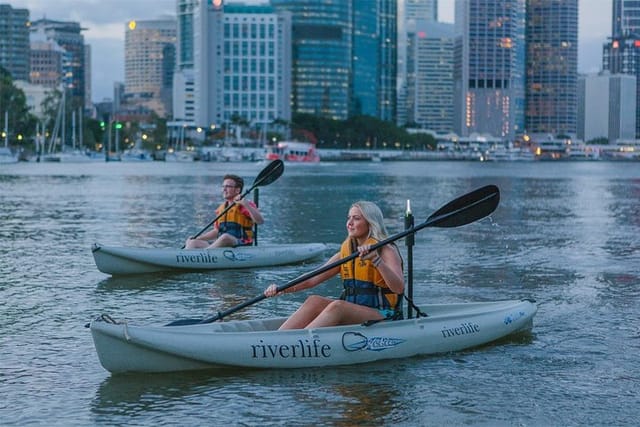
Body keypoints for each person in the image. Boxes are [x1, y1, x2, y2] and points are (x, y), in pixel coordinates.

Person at [264, 201, 404, 329]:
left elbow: (398, 288)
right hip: (355, 309)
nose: (350, 223)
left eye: (356, 218)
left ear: (370, 222)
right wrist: (282, 288)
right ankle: (278, 339)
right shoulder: (346, 253)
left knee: (338, 306)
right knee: (314, 301)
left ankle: (299, 343)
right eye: (349, 218)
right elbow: (312, 279)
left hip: (384, 314)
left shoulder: (386, 250)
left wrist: (376, 261)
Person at [185, 174, 264, 249]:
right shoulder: (221, 208)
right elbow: (216, 231)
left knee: (225, 237)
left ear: (237, 190)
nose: (224, 189)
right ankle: (186, 257)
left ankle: (205, 254)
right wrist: (199, 238)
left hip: (241, 243)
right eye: (223, 186)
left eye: (228, 186)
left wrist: (246, 205)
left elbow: (260, 221)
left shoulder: (245, 204)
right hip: (221, 245)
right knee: (192, 242)